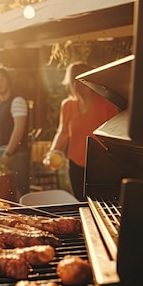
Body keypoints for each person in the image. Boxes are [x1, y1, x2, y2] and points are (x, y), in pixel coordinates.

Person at [45, 62, 119, 201]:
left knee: (101, 206)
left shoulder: (106, 104)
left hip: (101, 165)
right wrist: (51, 152)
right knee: (80, 203)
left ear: (91, 81)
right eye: (74, 80)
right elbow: (63, 131)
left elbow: (115, 136)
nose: (77, 84)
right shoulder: (67, 105)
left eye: (81, 80)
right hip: (75, 165)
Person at [0, 66, 31, 201]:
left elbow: (18, 129)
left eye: (1, 79)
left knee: (20, 196)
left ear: (8, 80)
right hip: (1, 154)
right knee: (5, 197)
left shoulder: (18, 101)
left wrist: (8, 153)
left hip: (16, 156)